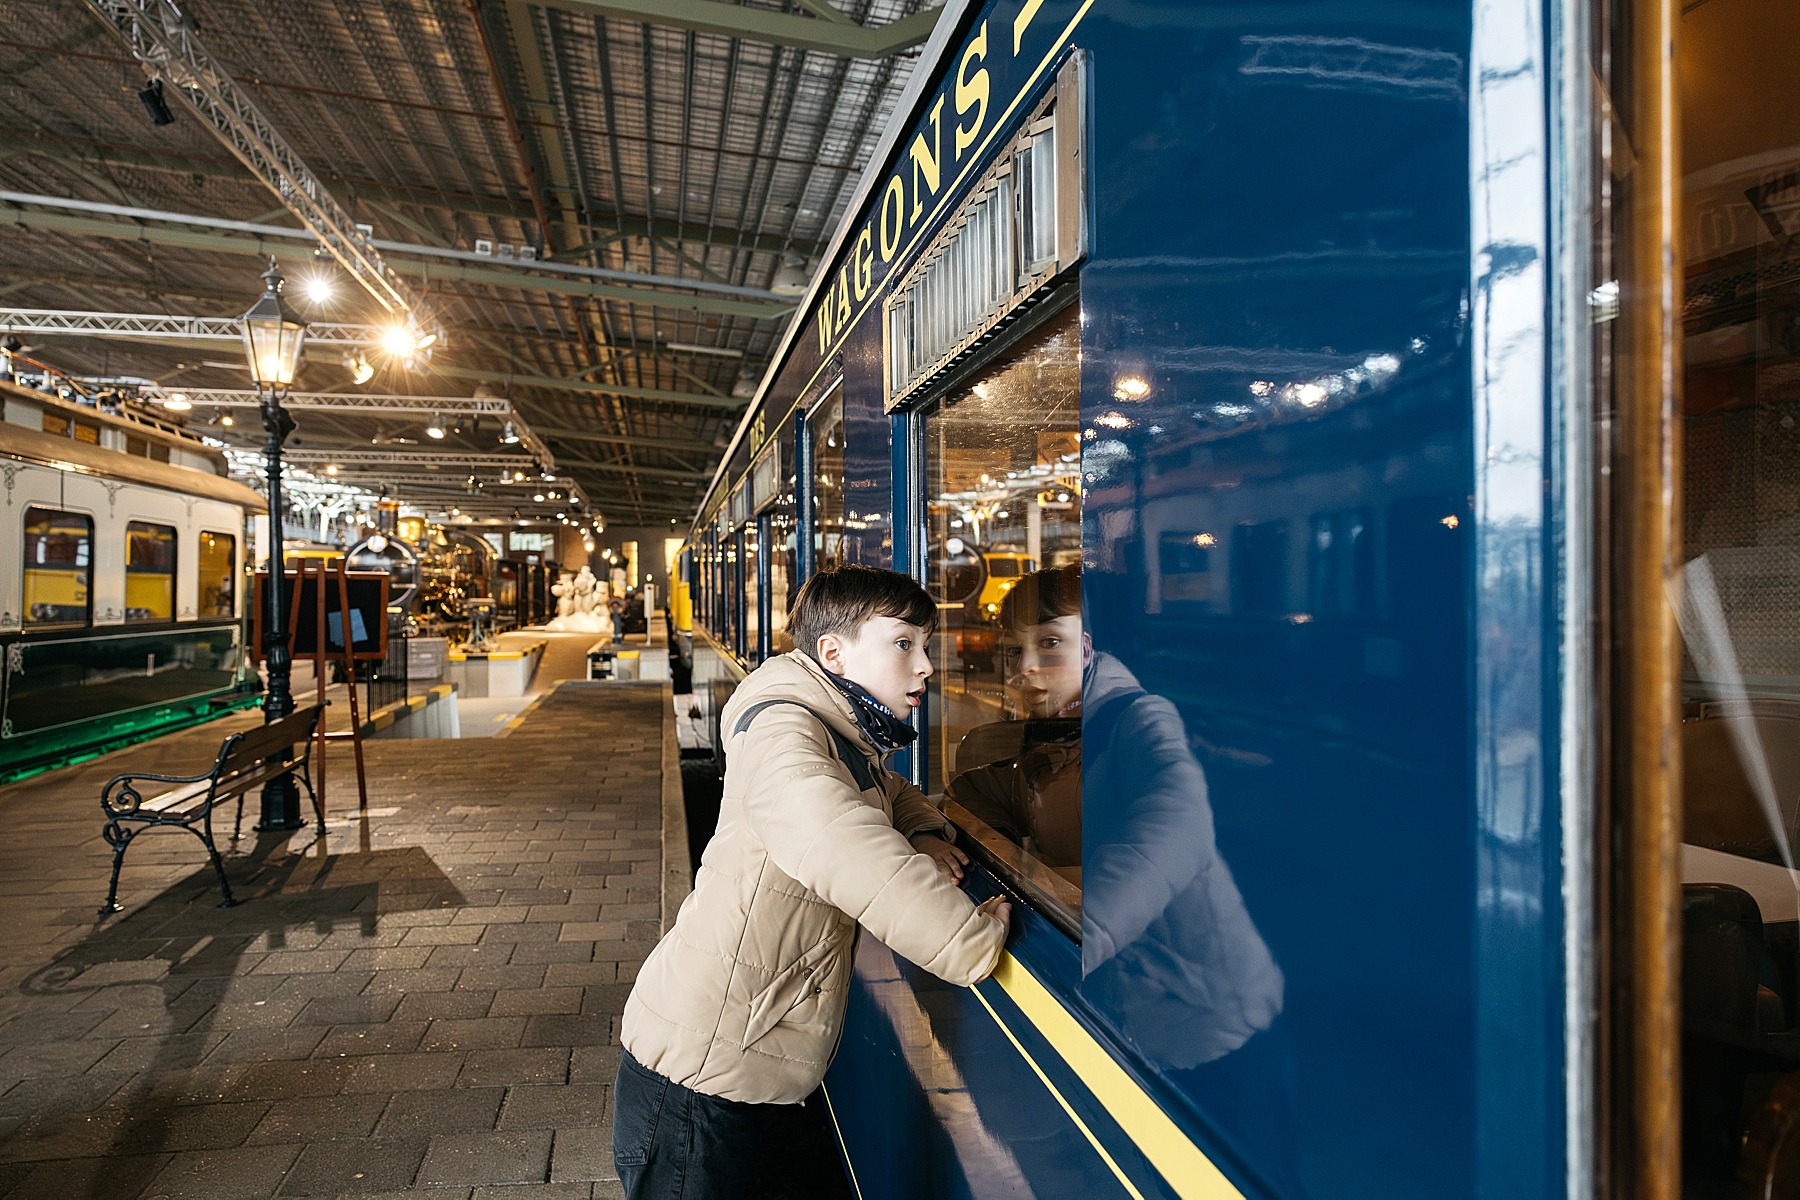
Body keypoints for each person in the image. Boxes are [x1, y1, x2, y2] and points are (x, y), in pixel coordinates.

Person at [615, 564, 1011, 1199]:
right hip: (698, 1083)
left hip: (736, 1059)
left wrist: (923, 830)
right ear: (833, 652)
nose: (926, 667)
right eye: (904, 644)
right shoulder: (784, 731)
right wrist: (968, 939)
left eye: (927, 646)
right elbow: (837, 837)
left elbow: (881, 792)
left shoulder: (828, 723)